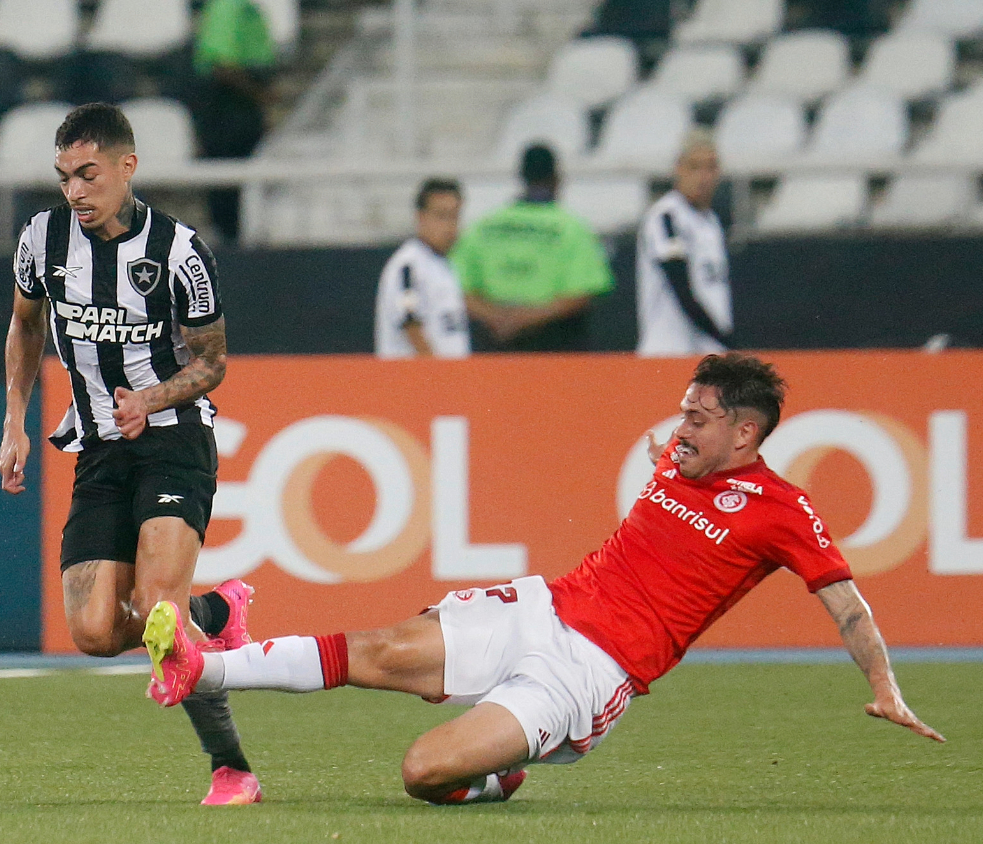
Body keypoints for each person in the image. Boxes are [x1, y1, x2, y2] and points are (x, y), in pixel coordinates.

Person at [143, 352, 944, 805]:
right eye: (682, 411)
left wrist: (884, 684)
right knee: (376, 647)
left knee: (424, 773)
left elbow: (847, 603)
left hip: (591, 669)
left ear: (746, 431)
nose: (680, 428)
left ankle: (498, 778)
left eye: (699, 418)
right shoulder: (678, 455)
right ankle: (199, 664)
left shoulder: (781, 508)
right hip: (543, 605)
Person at [0, 103, 262, 805]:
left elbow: (213, 361)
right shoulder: (41, 241)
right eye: (63, 178)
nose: (75, 192)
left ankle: (231, 768)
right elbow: (25, 329)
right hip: (99, 449)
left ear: (126, 167)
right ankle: (215, 613)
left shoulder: (178, 251)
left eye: (88, 175)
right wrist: (15, 423)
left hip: (174, 439)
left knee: (156, 611)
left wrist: (152, 398)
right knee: (90, 631)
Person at [449, 144, 614, 352]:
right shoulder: (572, 227)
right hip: (552, 344)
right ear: (556, 178)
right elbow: (581, 294)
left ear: (521, 176)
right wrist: (524, 319)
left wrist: (499, 319)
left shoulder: (484, 225)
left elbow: (459, 288)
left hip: (495, 342)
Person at [636, 130, 734, 357]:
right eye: (694, 167)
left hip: (709, 353)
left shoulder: (711, 221)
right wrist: (724, 338)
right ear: (678, 168)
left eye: (710, 167)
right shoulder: (666, 217)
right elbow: (679, 283)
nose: (703, 177)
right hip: (669, 352)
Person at [191, 0, 276, 243]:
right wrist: (261, 95)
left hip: (241, 105)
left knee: (242, 180)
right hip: (227, 107)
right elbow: (222, 66)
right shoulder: (226, 7)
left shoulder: (247, 9)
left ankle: (234, 236)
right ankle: (229, 239)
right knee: (227, 180)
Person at [374, 178, 470, 359]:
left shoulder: (444, 265)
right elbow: (411, 323)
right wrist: (436, 377)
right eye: (441, 216)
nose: (450, 226)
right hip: (417, 382)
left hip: (451, 381)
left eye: (455, 216)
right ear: (421, 217)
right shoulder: (408, 266)